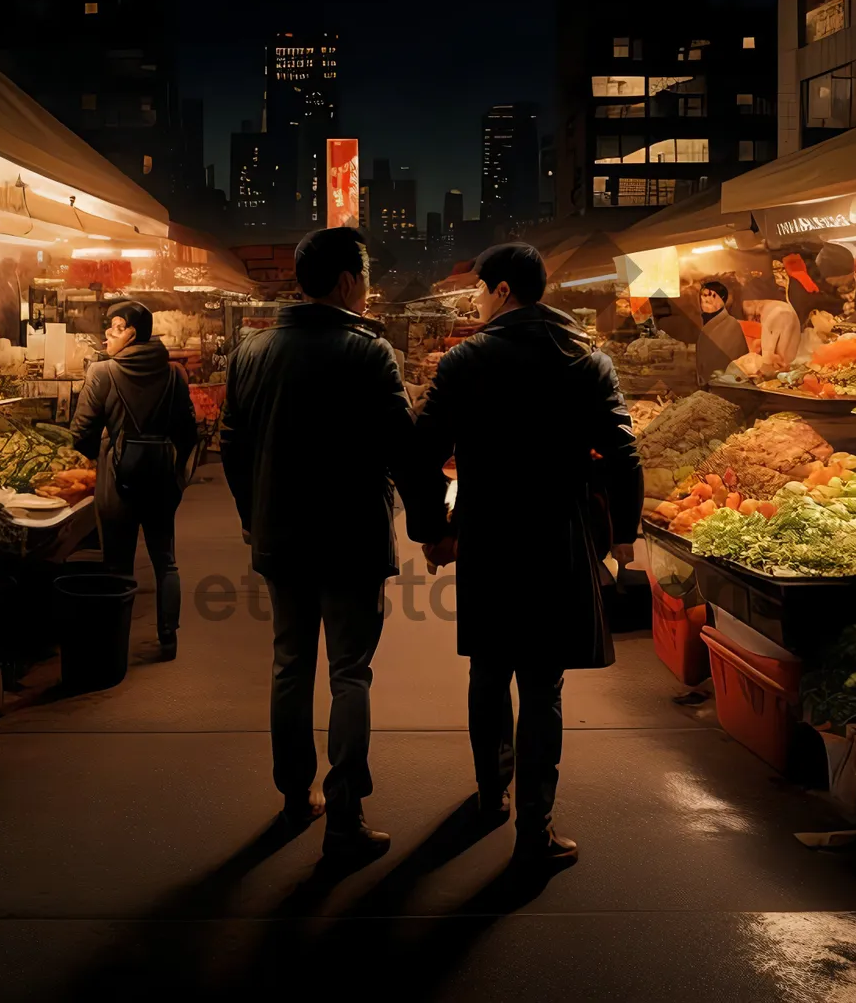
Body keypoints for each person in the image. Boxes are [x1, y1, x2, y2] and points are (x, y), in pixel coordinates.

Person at [414, 243, 642, 867]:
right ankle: (534, 832)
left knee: (488, 670)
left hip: (488, 534)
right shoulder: (586, 359)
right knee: (543, 685)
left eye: (481, 288)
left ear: (504, 290)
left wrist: (434, 529)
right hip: (557, 534)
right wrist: (624, 532)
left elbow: (421, 447)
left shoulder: (465, 360)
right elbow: (624, 453)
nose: (477, 300)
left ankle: (492, 796)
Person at [219, 227, 417, 863]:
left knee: (290, 664)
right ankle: (345, 818)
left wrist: (254, 515)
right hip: (352, 537)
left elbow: (230, 444)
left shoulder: (251, 349)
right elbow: (401, 447)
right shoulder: (369, 353)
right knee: (350, 671)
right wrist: (431, 525)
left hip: (281, 535)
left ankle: (294, 796)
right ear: (346, 282)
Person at [70, 300, 198, 661]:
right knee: (165, 559)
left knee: (117, 564)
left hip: (116, 478)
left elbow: (81, 434)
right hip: (160, 478)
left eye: (116, 326)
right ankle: (168, 636)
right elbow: (188, 432)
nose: (108, 333)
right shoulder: (174, 374)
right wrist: (174, 470)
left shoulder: (102, 373)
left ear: (133, 332)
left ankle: (116, 644)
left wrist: (108, 452)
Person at [694, 280, 749, 385]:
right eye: (703, 295)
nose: (707, 299)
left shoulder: (731, 325)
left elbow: (731, 360)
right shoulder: (701, 322)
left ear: (723, 299)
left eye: (713, 295)